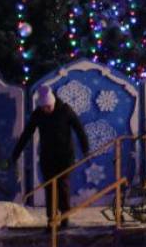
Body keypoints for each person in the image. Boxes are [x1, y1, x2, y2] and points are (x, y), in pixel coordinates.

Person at [10, 85, 89, 226]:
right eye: (43, 108)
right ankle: (51, 220)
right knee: (49, 188)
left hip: (65, 156)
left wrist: (86, 150)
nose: (46, 110)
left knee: (62, 187)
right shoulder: (38, 114)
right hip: (47, 156)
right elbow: (27, 134)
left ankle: (65, 219)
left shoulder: (65, 110)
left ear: (52, 102)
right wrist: (16, 153)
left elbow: (79, 130)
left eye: (48, 107)